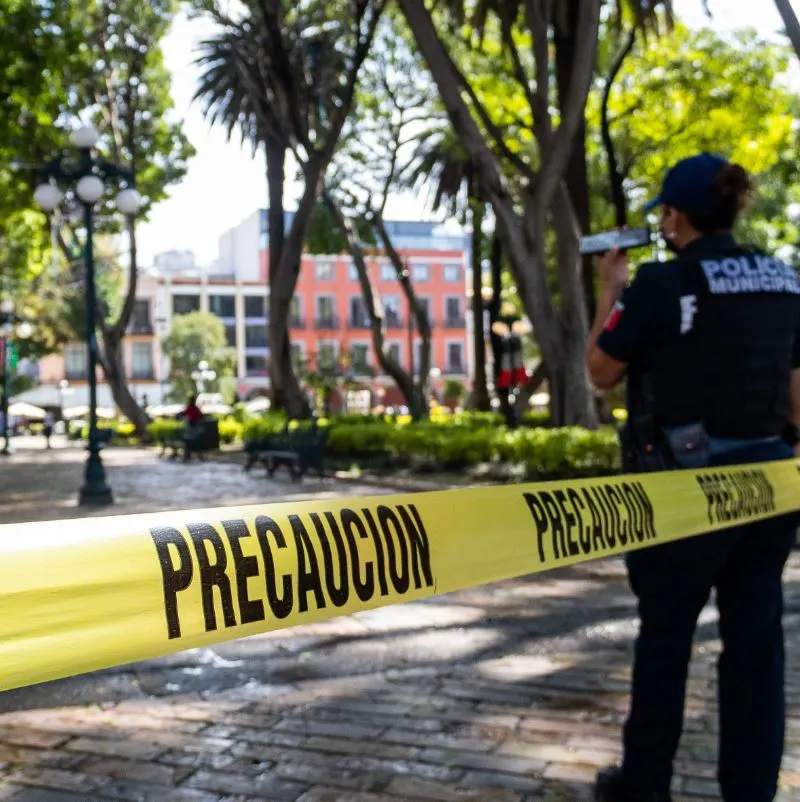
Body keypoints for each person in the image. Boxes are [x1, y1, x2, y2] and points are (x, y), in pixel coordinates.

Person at [585, 152, 800, 802]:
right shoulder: (786, 282)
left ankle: (644, 786)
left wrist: (609, 291)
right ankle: (750, 790)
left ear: (673, 218)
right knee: (757, 648)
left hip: (681, 491)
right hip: (769, 486)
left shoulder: (660, 284)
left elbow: (601, 370)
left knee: (666, 640)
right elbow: (797, 401)